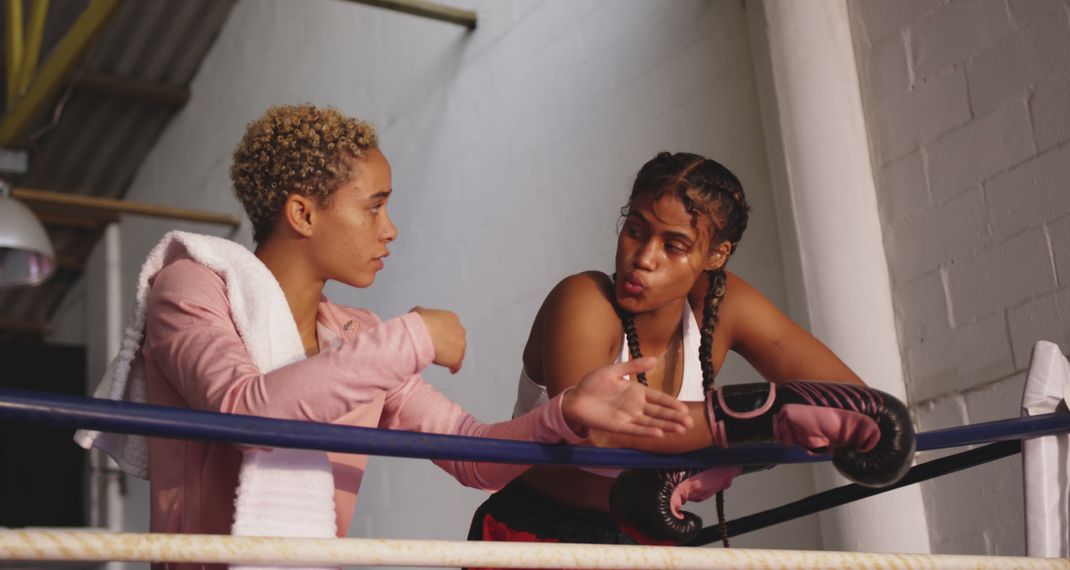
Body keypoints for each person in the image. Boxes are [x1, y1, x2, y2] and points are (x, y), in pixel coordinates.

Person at [77, 105, 694, 568]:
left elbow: (472, 452)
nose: (390, 229)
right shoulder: (191, 285)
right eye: (374, 207)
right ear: (304, 213)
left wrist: (564, 413)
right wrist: (415, 337)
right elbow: (245, 409)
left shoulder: (356, 334)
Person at [467, 151, 911, 552]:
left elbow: (854, 405)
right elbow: (595, 428)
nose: (643, 257)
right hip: (534, 536)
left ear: (716, 255)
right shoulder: (583, 299)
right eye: (634, 230)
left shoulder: (722, 304)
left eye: (673, 245)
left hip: (647, 544)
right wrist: (761, 421)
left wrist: (726, 459)